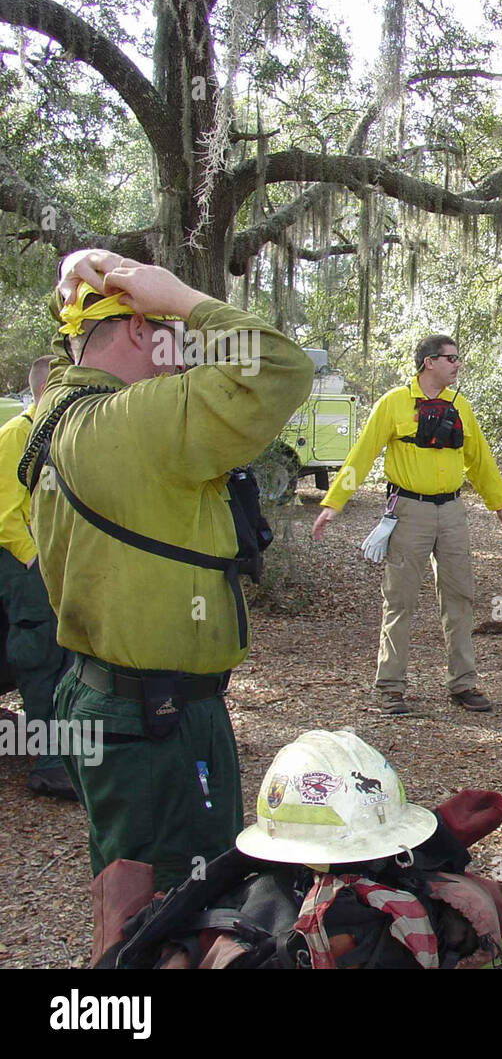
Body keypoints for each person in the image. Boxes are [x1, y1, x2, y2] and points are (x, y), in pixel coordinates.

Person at [25, 249, 313, 890]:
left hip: (105, 697)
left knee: (130, 893)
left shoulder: (53, 411)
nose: (184, 354)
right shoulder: (137, 421)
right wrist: (183, 297)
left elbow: (77, 336)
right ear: (137, 328)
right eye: (174, 339)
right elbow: (283, 368)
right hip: (156, 719)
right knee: (179, 910)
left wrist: (79, 267)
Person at [312, 335, 502, 715]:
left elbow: (479, 460)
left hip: (453, 512)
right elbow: (362, 454)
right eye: (451, 358)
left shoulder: (460, 406)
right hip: (409, 511)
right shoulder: (394, 403)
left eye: (458, 358)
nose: (457, 365)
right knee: (400, 599)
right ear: (429, 362)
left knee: (460, 596)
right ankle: (390, 688)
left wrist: (500, 506)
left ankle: (463, 684)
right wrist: (334, 503)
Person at [0, 356, 72, 798]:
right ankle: (48, 764)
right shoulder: (17, 436)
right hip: (22, 566)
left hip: (55, 566)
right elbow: (7, 516)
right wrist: (35, 561)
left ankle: (64, 754)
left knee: (65, 659)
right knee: (40, 658)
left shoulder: (58, 437)